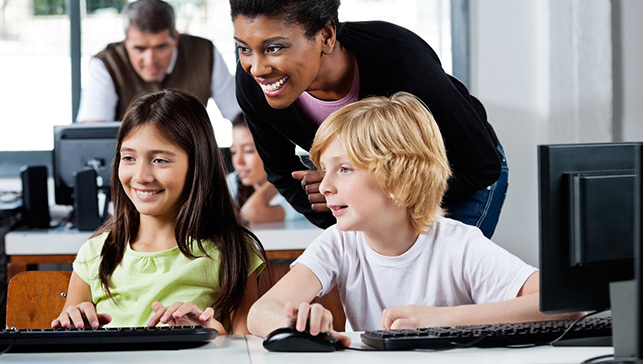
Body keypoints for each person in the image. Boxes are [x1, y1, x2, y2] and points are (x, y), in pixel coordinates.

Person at [246, 93, 579, 346]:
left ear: (397, 177)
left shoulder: (458, 245)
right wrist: (301, 326)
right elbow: (261, 313)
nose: (326, 186)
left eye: (343, 169)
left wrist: (441, 321)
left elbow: (566, 302)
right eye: (325, 170)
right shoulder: (339, 243)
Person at [228, 0, 507, 238]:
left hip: (462, 173)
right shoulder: (254, 85)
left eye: (274, 48)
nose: (257, 68)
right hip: (386, 194)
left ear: (326, 36)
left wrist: (366, 187)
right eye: (244, 48)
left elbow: (482, 166)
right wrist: (337, 216)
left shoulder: (401, 62)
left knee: (437, 281)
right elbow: (280, 170)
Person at [52, 89, 265, 334]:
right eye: (129, 158)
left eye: (160, 160)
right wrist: (73, 325)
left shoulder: (233, 251)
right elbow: (69, 345)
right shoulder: (95, 254)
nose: (141, 177)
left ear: (197, 166)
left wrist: (214, 336)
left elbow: (246, 353)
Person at [77, 0, 240, 123]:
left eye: (161, 47)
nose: (150, 60)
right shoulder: (105, 64)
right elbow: (94, 131)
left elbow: (239, 114)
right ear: (126, 43)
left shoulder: (204, 53)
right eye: (139, 48)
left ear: (175, 38)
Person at [228, 112, 303, 223]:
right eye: (233, 152)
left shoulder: (297, 195)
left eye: (248, 150)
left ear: (271, 151)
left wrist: (279, 176)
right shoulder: (232, 182)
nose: (238, 161)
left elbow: (252, 212)